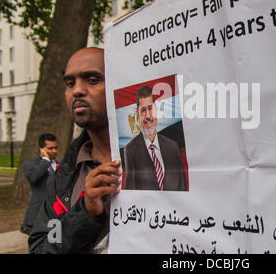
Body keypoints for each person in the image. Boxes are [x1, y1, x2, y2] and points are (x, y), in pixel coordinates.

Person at [28, 47, 121, 253]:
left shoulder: (154, 157)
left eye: (92, 79)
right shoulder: (65, 174)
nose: (77, 91)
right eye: (70, 83)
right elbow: (40, 248)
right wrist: (85, 212)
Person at [121, 85, 187, 191]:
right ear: (138, 115)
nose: (148, 116)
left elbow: (183, 187)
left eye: (150, 109)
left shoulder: (172, 147)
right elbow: (130, 195)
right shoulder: (130, 151)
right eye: (143, 110)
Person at [20, 133, 58, 235]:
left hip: (56, 215)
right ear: (41, 149)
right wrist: (46, 161)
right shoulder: (30, 164)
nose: (54, 151)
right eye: (50, 148)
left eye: (56, 148)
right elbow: (34, 178)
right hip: (38, 215)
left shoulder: (60, 164)